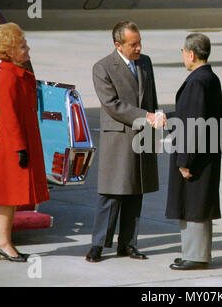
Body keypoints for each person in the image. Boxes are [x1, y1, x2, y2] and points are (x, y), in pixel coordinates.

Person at [86, 21, 162, 263]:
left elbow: (151, 97)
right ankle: (98, 244)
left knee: (135, 192)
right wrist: (146, 116)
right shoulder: (103, 67)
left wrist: (155, 118)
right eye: (133, 44)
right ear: (118, 45)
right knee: (111, 194)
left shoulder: (145, 62)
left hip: (141, 136)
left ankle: (128, 243)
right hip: (119, 138)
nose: (139, 47)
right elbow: (112, 105)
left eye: (140, 42)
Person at [0, 22, 49, 262]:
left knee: (11, 195)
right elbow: (10, 115)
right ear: (10, 51)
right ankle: (3, 242)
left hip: (21, 140)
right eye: (22, 46)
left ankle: (5, 241)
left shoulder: (17, 72)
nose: (28, 49)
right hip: (14, 144)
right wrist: (20, 148)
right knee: (8, 194)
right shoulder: (7, 76)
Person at [165, 33, 222, 270]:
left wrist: (184, 160)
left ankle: (197, 257)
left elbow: (194, 123)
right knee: (192, 204)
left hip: (197, 156)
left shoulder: (197, 81)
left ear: (191, 54)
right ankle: (192, 252)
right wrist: (167, 118)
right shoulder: (209, 78)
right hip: (204, 153)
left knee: (195, 205)